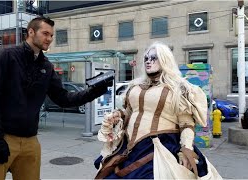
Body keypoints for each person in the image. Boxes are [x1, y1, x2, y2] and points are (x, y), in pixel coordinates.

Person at [0, 16, 113, 180]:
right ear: (31, 32)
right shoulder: (6, 57)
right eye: (45, 34)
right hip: (3, 138)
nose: (49, 39)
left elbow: (64, 98)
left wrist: (94, 91)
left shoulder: (47, 66)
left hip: (30, 141)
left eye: (51, 35)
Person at [94, 42, 222, 179]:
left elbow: (186, 124)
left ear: (164, 60)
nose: (149, 62)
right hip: (129, 147)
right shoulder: (135, 87)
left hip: (160, 147)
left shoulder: (178, 89)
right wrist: (118, 115)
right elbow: (130, 112)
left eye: (154, 58)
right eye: (146, 58)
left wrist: (186, 148)